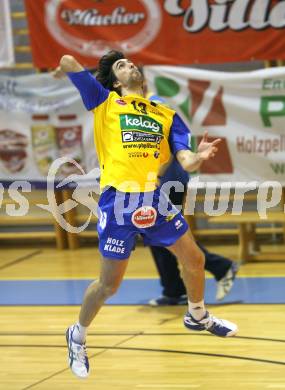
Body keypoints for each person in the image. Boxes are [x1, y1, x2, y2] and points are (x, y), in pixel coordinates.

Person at [54, 50, 238, 379]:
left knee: (194, 260)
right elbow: (68, 60)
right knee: (109, 285)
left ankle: (197, 314)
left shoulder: (166, 114)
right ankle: (77, 335)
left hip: (155, 198)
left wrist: (200, 155)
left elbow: (186, 162)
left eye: (131, 63)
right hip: (117, 201)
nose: (130, 66)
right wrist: (62, 71)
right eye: (122, 65)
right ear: (113, 81)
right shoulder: (104, 102)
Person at [148, 159, 239, 305]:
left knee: (166, 233)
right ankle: (174, 290)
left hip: (166, 181)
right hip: (160, 181)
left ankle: (221, 266)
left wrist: (156, 177)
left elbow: (169, 153)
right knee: (157, 236)